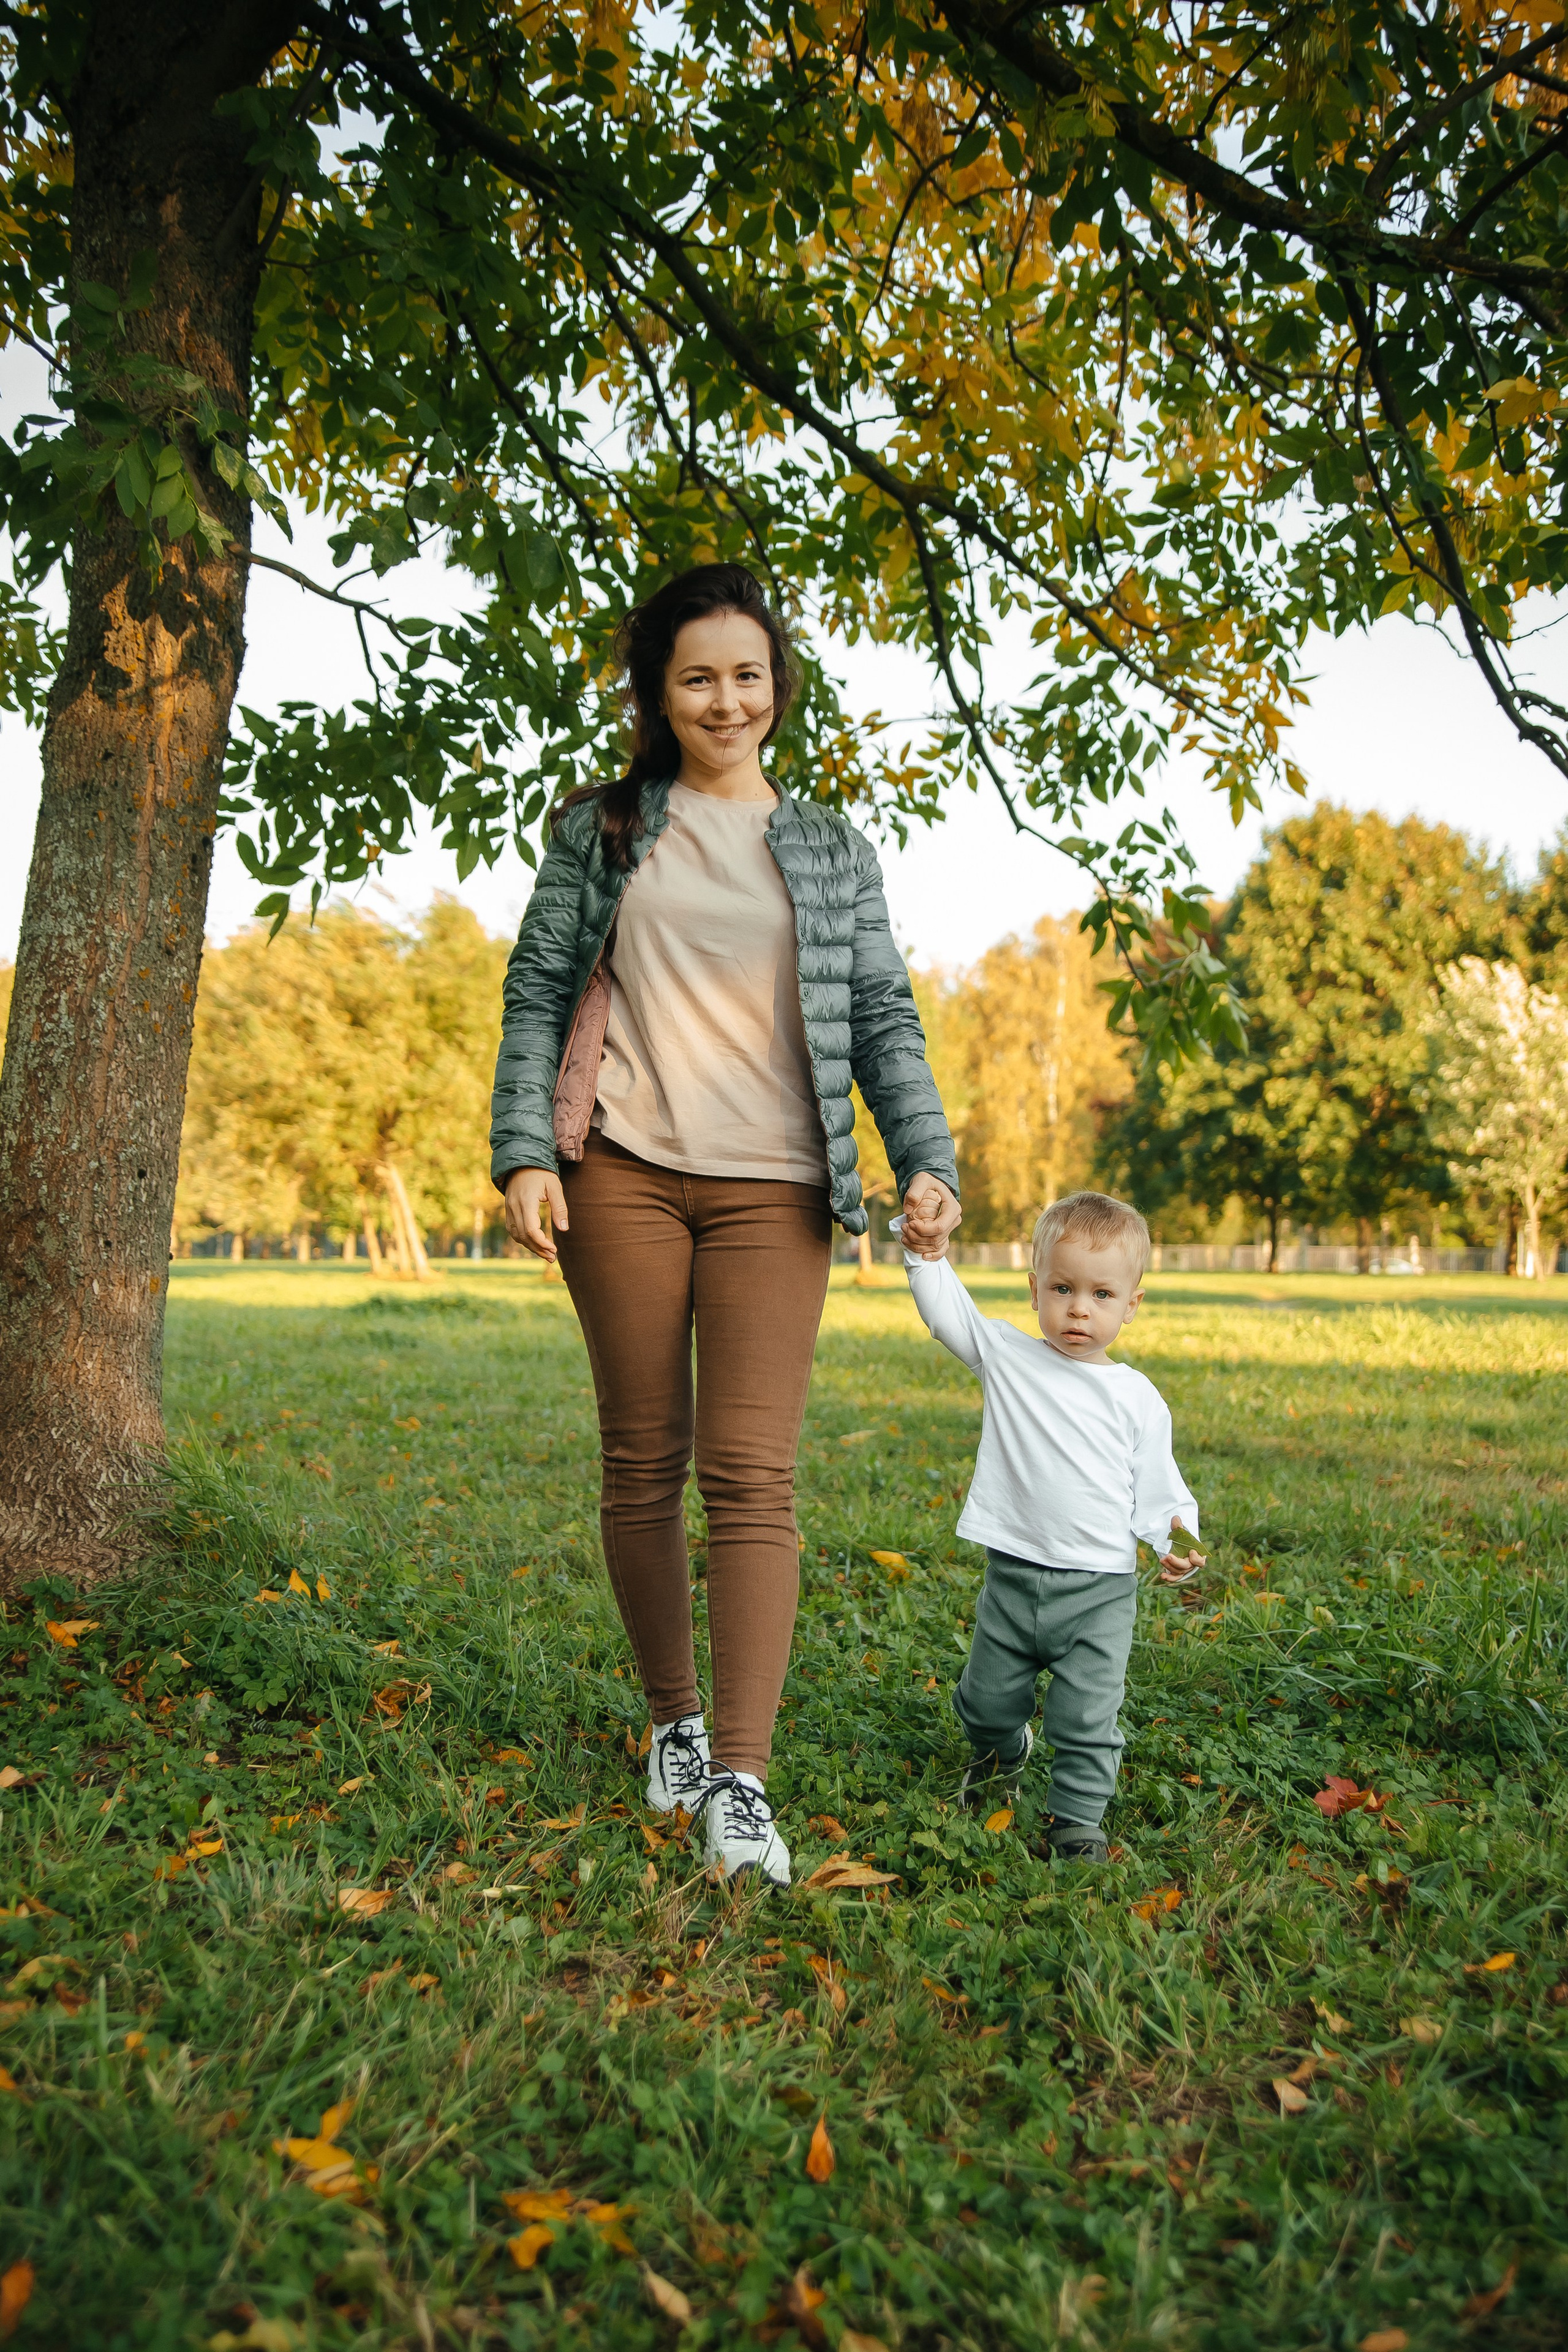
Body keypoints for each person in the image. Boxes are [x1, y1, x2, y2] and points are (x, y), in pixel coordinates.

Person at [491, 562, 961, 1885]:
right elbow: (537, 998)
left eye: (746, 674)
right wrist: (527, 1153)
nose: (725, 698)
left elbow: (881, 1018)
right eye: (696, 676)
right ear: (657, 693)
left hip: (775, 1191)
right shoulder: (602, 833)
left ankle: (742, 1782)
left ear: (776, 688)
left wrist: (924, 1156)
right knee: (642, 1455)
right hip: (623, 1174)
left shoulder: (828, 846)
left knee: (753, 1476)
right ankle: (674, 1728)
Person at [899, 1186, 1204, 1863]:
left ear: (1132, 1305)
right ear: (1034, 1287)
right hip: (1012, 1578)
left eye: (1101, 1295)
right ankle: (1005, 1748)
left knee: (1086, 1718)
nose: (1078, 1309)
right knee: (983, 1705)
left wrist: (1176, 1541)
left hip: (1097, 1594)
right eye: (1062, 1288)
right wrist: (927, 1256)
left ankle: (1077, 1823)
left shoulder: (1136, 1399)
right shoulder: (1009, 1357)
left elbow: (1160, 1488)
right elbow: (950, 1315)